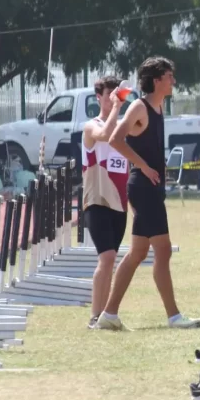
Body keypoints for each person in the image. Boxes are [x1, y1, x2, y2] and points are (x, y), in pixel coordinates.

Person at [97, 57, 200, 331]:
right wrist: (144, 166)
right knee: (163, 249)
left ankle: (109, 315)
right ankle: (174, 316)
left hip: (151, 187)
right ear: (157, 80)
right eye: (169, 76)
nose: (173, 81)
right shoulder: (139, 106)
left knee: (138, 252)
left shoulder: (157, 108)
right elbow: (115, 139)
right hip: (142, 187)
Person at [81, 76, 127, 329]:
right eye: (110, 95)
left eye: (117, 94)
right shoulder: (91, 126)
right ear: (99, 97)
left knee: (111, 260)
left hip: (120, 202)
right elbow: (106, 134)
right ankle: (94, 316)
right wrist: (117, 107)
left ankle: (106, 317)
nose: (114, 99)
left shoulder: (123, 126)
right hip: (97, 199)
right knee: (107, 257)